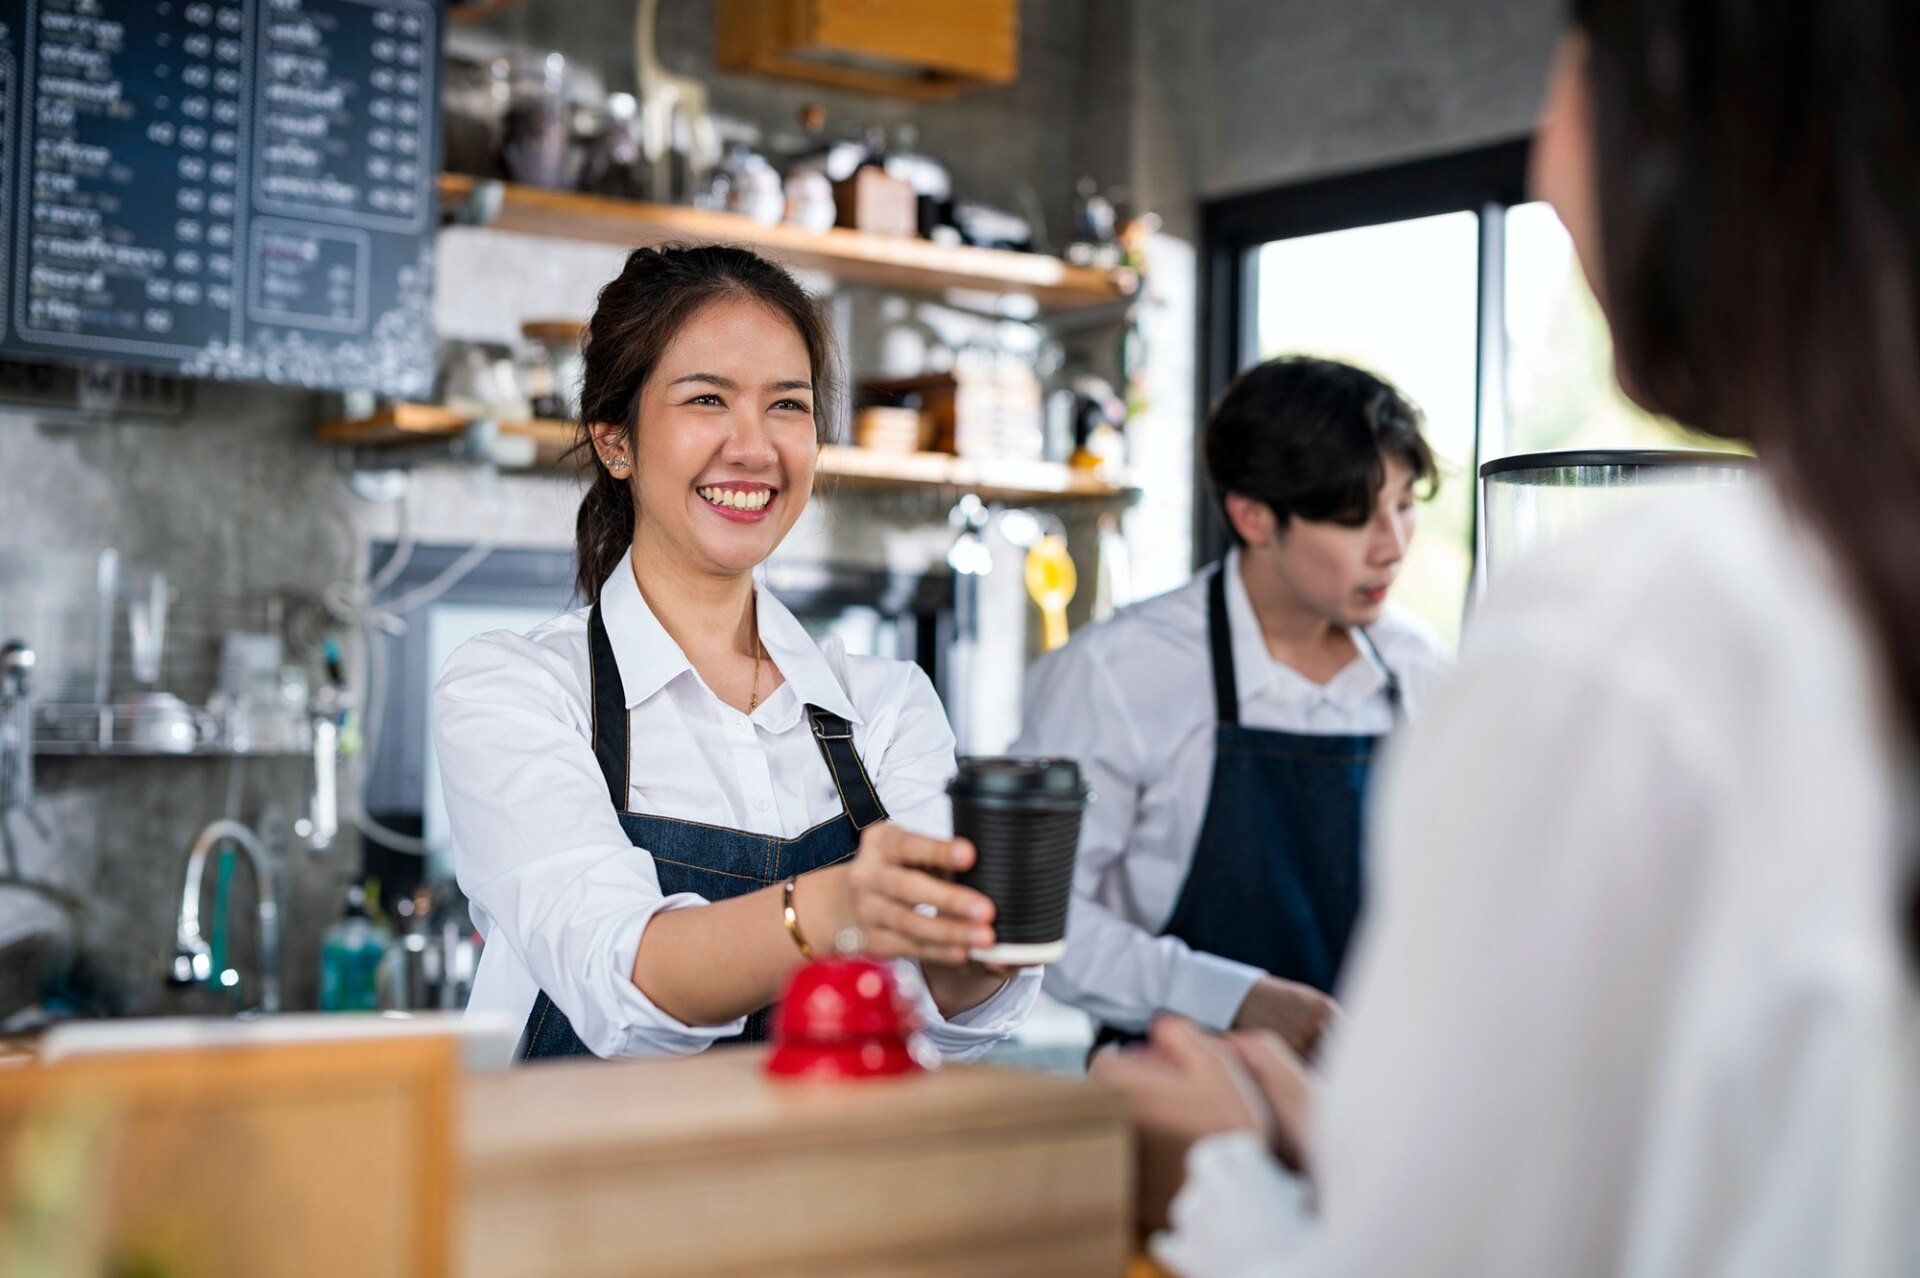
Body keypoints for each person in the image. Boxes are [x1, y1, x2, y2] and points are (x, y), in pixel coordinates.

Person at [1094, 2, 1920, 1274]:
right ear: (1251, 518)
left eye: (1567, 87)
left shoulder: (1624, 636)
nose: (1544, 156)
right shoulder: (1121, 672)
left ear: (1682, 144)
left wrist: (1233, 1161)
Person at [435, 244, 1038, 1063]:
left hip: (825, 1182)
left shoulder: (886, 705)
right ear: (616, 442)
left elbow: (944, 1015)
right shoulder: (515, 690)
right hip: (574, 1183)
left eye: (787, 406)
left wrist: (988, 924)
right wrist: (837, 907)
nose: (754, 448)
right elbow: (623, 981)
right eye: (707, 399)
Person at [1012, 357, 1447, 1054]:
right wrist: (1231, 997)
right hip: (1180, 1095)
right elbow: (1033, 915)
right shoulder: (1117, 674)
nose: (1392, 547)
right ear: (1252, 515)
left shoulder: (1420, 668)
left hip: (1382, 1098)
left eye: (1403, 505)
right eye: (1354, 517)